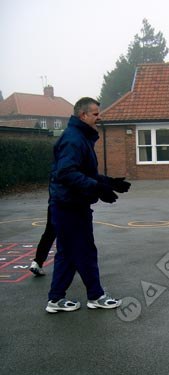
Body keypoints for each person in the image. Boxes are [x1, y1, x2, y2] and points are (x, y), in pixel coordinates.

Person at [45, 97, 131, 313]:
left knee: (68, 253)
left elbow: (83, 172)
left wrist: (108, 182)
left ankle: (56, 299)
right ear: (83, 115)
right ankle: (96, 296)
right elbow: (66, 173)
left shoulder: (80, 137)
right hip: (69, 206)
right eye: (95, 114)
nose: (98, 117)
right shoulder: (74, 139)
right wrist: (97, 188)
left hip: (70, 204)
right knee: (83, 251)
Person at [29, 206, 55, 276]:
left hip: (55, 203)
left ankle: (37, 262)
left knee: (49, 233)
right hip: (71, 204)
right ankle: (74, 261)